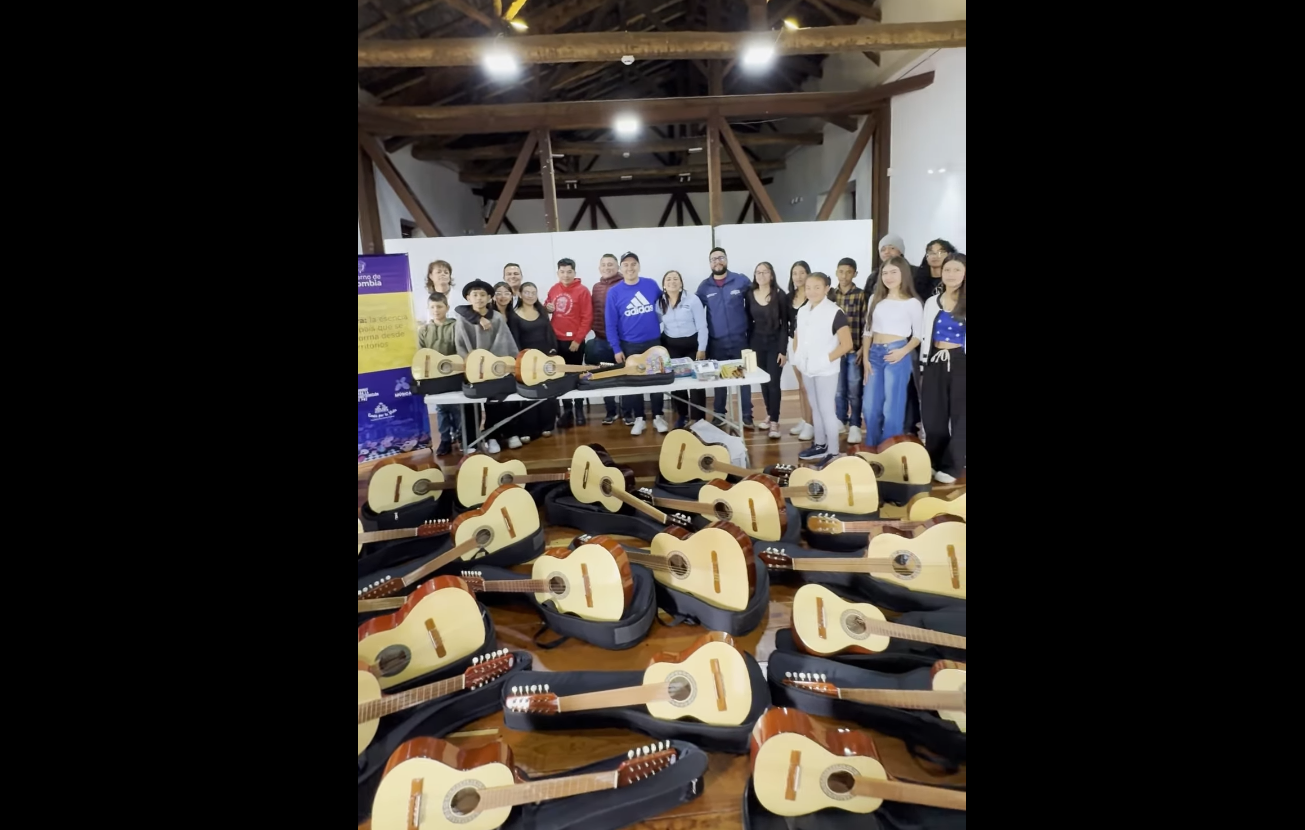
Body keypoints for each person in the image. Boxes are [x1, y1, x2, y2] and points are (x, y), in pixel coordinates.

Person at [860, 256, 923, 447]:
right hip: (874, 354)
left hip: (897, 354)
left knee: (892, 407)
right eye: (885, 273)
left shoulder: (912, 303)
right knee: (870, 406)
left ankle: (889, 451)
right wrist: (865, 359)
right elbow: (867, 331)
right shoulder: (875, 298)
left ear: (904, 274)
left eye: (893, 272)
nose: (888, 277)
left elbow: (918, 336)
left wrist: (902, 352)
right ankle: (872, 447)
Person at [791, 272, 854, 460]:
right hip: (807, 367)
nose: (812, 291)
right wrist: (798, 357)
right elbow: (798, 336)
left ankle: (833, 451)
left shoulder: (835, 312)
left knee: (827, 409)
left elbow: (847, 344)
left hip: (826, 370)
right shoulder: (803, 311)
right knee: (815, 407)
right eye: (808, 287)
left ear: (826, 289)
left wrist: (826, 359)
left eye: (817, 287)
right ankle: (819, 444)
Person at [453, 280, 519, 455]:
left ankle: (497, 435)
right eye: (475, 295)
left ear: (490, 297)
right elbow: (460, 345)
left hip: (494, 368)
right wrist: (472, 363)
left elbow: (503, 342)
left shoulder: (496, 318)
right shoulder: (463, 320)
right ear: (468, 297)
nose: (479, 298)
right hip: (471, 370)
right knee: (469, 404)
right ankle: (473, 439)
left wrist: (490, 364)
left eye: (483, 295)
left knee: (497, 401)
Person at [605, 252, 665, 435]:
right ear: (621, 268)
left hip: (653, 342)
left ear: (638, 266)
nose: (630, 268)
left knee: (657, 380)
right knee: (635, 382)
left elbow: (667, 303)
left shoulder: (651, 285)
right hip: (629, 345)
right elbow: (610, 322)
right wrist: (616, 348)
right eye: (626, 265)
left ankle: (658, 416)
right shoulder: (614, 292)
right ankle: (639, 418)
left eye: (633, 264)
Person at [920, 253, 966, 484]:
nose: (951, 274)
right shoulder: (931, 302)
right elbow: (924, 335)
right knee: (933, 415)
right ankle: (934, 459)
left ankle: (954, 464)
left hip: (961, 361)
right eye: (948, 270)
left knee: (961, 417)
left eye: (957, 270)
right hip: (935, 360)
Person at [696, 247, 754, 429]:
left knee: (744, 378)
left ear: (726, 260)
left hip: (740, 340)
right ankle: (719, 414)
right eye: (713, 259)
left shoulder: (741, 280)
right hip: (717, 342)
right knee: (719, 379)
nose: (717, 261)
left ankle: (747, 416)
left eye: (721, 258)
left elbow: (757, 299)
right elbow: (696, 313)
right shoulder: (704, 287)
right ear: (710, 263)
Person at [904, 238, 957, 437]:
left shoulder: (956, 285)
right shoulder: (918, 282)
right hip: (922, 344)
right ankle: (925, 429)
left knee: (952, 394)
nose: (935, 256)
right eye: (930, 252)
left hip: (952, 346)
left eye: (940, 252)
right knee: (923, 390)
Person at [544, 258, 593, 428]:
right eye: (562, 271)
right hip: (556, 341)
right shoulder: (553, 289)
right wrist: (546, 308)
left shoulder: (583, 291)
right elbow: (547, 306)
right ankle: (567, 412)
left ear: (574, 273)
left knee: (576, 376)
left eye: (569, 271)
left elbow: (588, 317)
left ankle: (579, 410)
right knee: (560, 377)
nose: (565, 275)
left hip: (574, 342)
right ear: (558, 273)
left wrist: (578, 340)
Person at [657, 270, 707, 429]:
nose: (672, 281)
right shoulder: (659, 302)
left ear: (681, 283)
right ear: (664, 285)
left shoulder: (692, 300)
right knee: (677, 383)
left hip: (692, 345)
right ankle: (682, 415)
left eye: (675, 279)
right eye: (668, 279)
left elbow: (702, 326)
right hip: (671, 345)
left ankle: (698, 419)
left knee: (696, 382)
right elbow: (655, 324)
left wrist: (702, 348)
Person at [747, 262, 791, 439]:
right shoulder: (749, 294)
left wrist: (783, 350)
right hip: (757, 344)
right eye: (758, 272)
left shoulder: (780, 296)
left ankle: (775, 421)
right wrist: (748, 348)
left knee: (773, 384)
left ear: (771, 275)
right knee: (763, 382)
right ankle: (769, 413)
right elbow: (748, 322)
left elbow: (784, 325)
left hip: (774, 344)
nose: (761, 275)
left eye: (765, 272)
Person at [510, 282, 558, 440]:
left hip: (545, 357)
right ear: (520, 295)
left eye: (533, 292)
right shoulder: (514, 314)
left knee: (547, 391)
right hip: (526, 360)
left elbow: (549, 332)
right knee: (529, 393)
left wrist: (552, 351)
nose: (530, 296)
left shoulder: (542, 311)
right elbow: (515, 340)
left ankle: (547, 425)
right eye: (527, 293)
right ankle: (529, 428)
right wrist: (521, 360)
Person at [417, 292, 460, 456]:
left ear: (446, 308)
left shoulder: (455, 326)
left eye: (439, 306)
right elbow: (422, 354)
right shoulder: (424, 330)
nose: (436, 310)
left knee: (457, 407)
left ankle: (461, 436)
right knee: (442, 408)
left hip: (454, 373)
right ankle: (445, 440)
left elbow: (459, 348)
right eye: (432, 307)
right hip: (435, 377)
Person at [832, 257, 868, 445]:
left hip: (854, 349)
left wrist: (863, 347)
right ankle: (840, 419)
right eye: (841, 271)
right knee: (839, 390)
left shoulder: (861, 295)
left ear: (855, 273)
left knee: (854, 388)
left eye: (848, 272)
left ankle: (855, 424)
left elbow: (866, 324)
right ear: (836, 272)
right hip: (837, 350)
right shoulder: (831, 295)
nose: (844, 275)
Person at [587, 253, 624, 425]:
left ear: (617, 267)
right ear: (599, 268)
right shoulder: (596, 287)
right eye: (604, 265)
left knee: (625, 376)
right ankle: (611, 411)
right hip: (601, 340)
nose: (607, 267)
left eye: (611, 264)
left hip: (622, 341)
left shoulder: (625, 284)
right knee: (605, 376)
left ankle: (628, 412)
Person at [489, 282, 525, 449]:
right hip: (491, 364)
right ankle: (492, 436)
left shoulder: (515, 315)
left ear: (512, 296)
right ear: (493, 296)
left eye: (506, 293)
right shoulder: (486, 316)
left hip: (513, 362)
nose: (503, 296)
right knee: (493, 401)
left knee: (511, 401)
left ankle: (512, 433)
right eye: (499, 293)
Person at [786, 261, 815, 441]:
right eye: (794, 273)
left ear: (808, 274)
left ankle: (812, 424)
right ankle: (805, 420)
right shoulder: (789, 297)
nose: (798, 276)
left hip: (809, 345)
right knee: (801, 386)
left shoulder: (813, 296)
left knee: (808, 386)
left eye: (802, 272)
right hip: (792, 343)